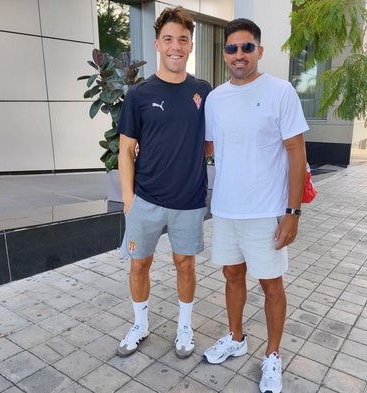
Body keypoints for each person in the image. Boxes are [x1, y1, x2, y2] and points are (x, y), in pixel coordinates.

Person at [203, 18, 308, 393]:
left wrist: (292, 213)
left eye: (247, 47)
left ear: (259, 51)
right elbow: (207, 148)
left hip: (267, 212)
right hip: (227, 209)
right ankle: (236, 337)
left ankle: (274, 355)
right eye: (231, 48)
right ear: (225, 54)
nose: (239, 54)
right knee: (231, 276)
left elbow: (297, 153)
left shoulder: (281, 92)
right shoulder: (215, 98)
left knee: (271, 285)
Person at [116, 6, 211, 359]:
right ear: (157, 44)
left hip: (188, 200)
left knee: (185, 265)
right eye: (168, 39)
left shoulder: (203, 90)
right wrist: (129, 201)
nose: (176, 46)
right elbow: (125, 151)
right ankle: (140, 325)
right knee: (139, 264)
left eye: (183, 39)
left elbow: (211, 141)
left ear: (190, 46)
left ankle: (184, 326)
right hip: (146, 200)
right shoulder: (139, 95)